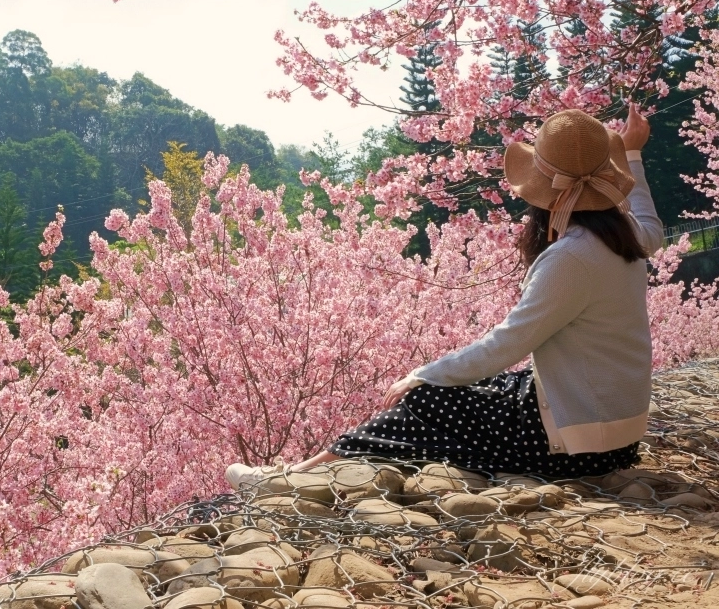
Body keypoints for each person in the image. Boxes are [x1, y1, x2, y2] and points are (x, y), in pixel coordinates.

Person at [226, 104, 664, 488]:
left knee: (427, 398)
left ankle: (298, 476)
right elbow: (651, 222)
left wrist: (422, 373)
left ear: (544, 194)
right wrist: (633, 153)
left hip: (580, 447)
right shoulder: (626, 235)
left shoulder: (571, 258)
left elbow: (507, 343)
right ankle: (314, 468)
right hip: (617, 430)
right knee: (493, 385)